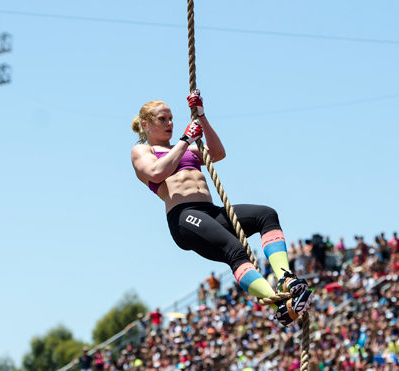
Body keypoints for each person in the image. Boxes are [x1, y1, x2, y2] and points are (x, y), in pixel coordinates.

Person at [130, 90, 312, 328]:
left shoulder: (185, 148)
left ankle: (285, 278)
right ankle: (277, 304)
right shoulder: (144, 151)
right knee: (235, 250)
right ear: (146, 124)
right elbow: (156, 172)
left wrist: (201, 116)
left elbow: (218, 154)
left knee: (266, 214)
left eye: (171, 118)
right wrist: (185, 140)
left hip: (210, 211)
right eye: (162, 119)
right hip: (184, 217)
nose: (170, 123)